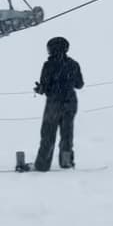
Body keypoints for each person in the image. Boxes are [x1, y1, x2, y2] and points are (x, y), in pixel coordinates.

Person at [31, 36, 84, 172]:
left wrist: (40, 89)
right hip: (71, 102)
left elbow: (44, 86)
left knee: (48, 133)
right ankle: (66, 162)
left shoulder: (49, 65)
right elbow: (79, 85)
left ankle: (42, 165)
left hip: (54, 102)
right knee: (67, 134)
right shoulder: (74, 64)